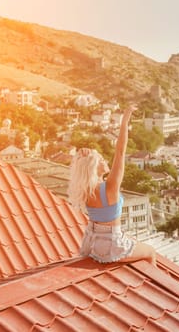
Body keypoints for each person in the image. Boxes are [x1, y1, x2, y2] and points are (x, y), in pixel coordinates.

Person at [68, 105, 156, 266]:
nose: (105, 161)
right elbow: (120, 151)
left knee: (134, 242)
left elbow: (80, 167)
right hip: (111, 246)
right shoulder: (110, 187)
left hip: (92, 243)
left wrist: (82, 154)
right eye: (101, 160)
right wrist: (125, 120)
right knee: (150, 252)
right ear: (94, 167)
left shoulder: (85, 189)